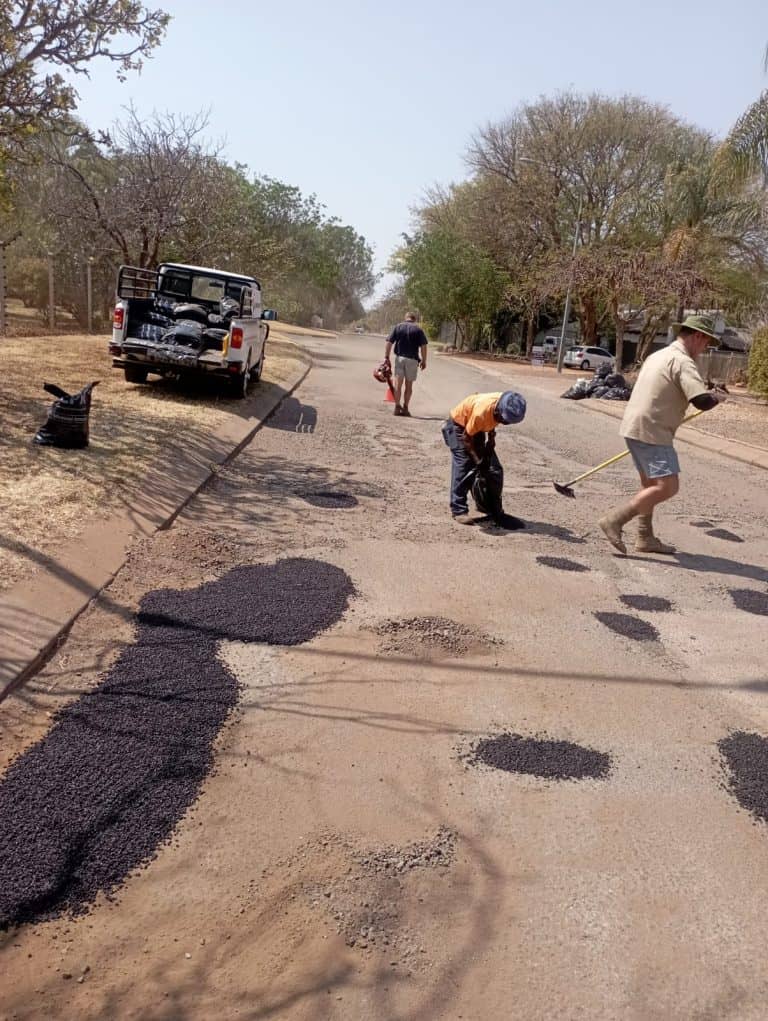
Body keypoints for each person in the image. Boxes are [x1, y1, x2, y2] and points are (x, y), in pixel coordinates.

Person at [598, 314, 726, 555]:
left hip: (634, 426)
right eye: (707, 342)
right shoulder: (682, 361)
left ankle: (645, 537)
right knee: (668, 487)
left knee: (650, 485)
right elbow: (701, 401)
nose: (705, 348)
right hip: (653, 430)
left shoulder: (659, 354)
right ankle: (614, 520)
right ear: (698, 336)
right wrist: (717, 398)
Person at [442, 390, 527, 524]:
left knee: (494, 469)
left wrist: (490, 446)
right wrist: (477, 460)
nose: (505, 423)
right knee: (464, 465)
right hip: (458, 428)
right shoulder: (481, 413)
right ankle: (458, 509)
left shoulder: (505, 402)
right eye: (504, 420)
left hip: (476, 429)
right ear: (499, 410)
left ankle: (488, 506)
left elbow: (491, 426)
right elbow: (466, 437)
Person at [384, 313, 428, 416]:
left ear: (406, 318)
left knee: (398, 385)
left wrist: (386, 357)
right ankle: (405, 408)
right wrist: (424, 360)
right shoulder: (418, 330)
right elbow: (423, 346)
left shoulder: (398, 327)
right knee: (409, 386)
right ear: (414, 320)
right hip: (412, 360)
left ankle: (396, 407)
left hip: (400, 359)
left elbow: (389, 342)